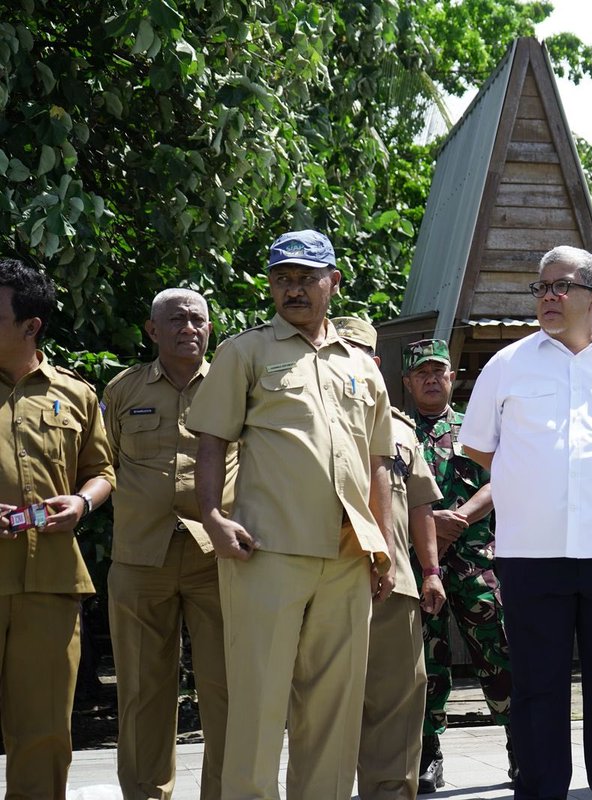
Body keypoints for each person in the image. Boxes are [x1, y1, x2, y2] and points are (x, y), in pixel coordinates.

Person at [188, 230, 399, 799]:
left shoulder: (363, 365)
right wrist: (212, 515)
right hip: (266, 551)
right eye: (282, 278)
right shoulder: (244, 351)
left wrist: (385, 552)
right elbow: (212, 441)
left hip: (349, 554)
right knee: (257, 705)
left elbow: (377, 462)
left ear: (333, 282)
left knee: (334, 710)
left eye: (306, 278)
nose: (293, 289)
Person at [458, 245, 592, 800]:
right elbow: (481, 451)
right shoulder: (506, 366)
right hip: (531, 551)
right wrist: (540, 483)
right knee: (537, 685)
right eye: (541, 287)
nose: (548, 297)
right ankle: (541, 790)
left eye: (561, 287)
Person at [104, 289, 234, 800]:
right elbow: (102, 463)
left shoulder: (232, 386)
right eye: (176, 320)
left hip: (217, 557)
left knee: (226, 688)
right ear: (152, 330)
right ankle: (144, 793)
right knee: (141, 690)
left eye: (198, 320)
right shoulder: (122, 389)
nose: (189, 328)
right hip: (140, 558)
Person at [0, 257, 115, 798]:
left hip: (49, 584)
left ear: (30, 326)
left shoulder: (75, 394)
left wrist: (83, 503)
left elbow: (102, 472)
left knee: (44, 730)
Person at [331, 317, 447, 800]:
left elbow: (420, 502)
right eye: (343, 351)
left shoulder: (401, 429)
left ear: (376, 364)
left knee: (400, 702)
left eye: (362, 353)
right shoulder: (300, 419)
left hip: (394, 583)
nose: (353, 361)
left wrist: (433, 572)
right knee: (329, 703)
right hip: (324, 580)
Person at [399, 337, 514, 793]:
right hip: (415, 564)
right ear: (408, 382)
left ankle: (520, 746)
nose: (431, 378)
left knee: (500, 652)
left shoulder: (477, 430)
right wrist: (427, 524)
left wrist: (459, 517)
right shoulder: (393, 431)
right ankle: (428, 755)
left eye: (438, 371)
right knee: (425, 661)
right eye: (421, 372)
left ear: (451, 377)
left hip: (474, 562)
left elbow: (501, 478)